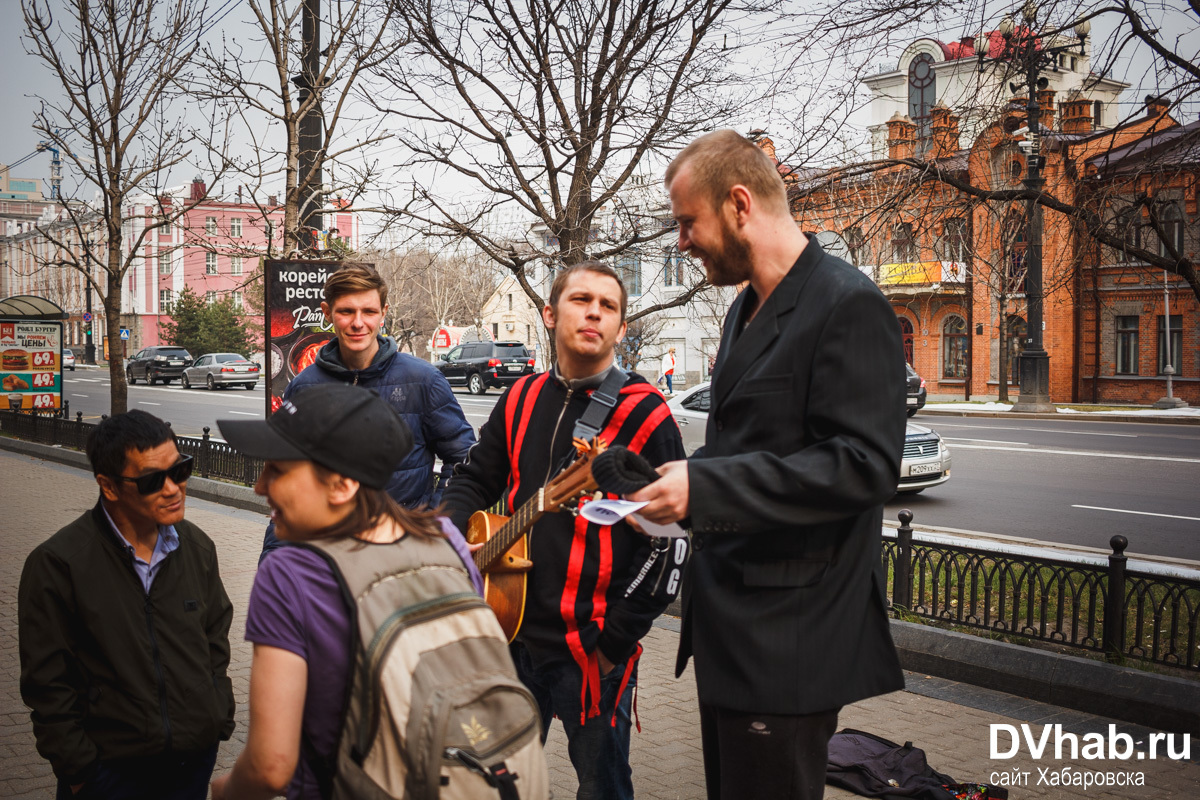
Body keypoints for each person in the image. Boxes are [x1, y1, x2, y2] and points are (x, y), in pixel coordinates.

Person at [630, 129, 908, 800]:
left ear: (739, 204)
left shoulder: (848, 303)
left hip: (788, 643)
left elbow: (864, 465)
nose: (682, 241)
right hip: (733, 633)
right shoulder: (744, 309)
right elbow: (752, 447)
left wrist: (709, 485)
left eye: (688, 222)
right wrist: (681, 488)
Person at [442, 261, 687, 800]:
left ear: (622, 328)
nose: (594, 312)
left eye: (608, 305)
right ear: (550, 315)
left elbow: (673, 544)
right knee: (494, 784)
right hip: (506, 632)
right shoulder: (521, 397)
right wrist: (455, 537)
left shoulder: (645, 415)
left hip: (589, 651)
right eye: (581, 300)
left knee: (602, 789)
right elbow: (473, 478)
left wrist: (616, 640)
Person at [211, 384, 488, 800]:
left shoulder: (291, 574)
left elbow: (271, 767)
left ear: (341, 486)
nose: (259, 486)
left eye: (278, 470)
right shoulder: (444, 538)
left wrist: (225, 791)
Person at [19, 410, 235, 800]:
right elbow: (47, 684)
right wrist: (80, 771)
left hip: (192, 764)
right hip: (109, 774)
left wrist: (216, 716)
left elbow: (215, 640)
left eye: (180, 470)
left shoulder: (198, 547)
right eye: (153, 480)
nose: (173, 488)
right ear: (110, 486)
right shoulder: (59, 564)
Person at [261, 263, 477, 562]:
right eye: (346, 311)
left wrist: (438, 525)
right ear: (327, 312)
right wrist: (273, 556)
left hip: (405, 554)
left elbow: (463, 459)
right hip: (328, 559)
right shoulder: (304, 387)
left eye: (369, 312)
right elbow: (288, 482)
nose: (357, 323)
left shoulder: (422, 379)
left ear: (384, 313)